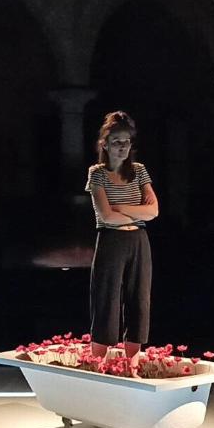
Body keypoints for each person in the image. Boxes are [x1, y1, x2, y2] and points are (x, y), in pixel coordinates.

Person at [84, 111, 159, 369]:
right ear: (105, 144)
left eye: (126, 141)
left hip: (138, 240)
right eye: (117, 141)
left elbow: (153, 211)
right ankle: (99, 364)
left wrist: (120, 207)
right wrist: (135, 210)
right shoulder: (97, 173)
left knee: (139, 298)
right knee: (106, 297)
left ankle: (132, 365)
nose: (122, 146)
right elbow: (106, 216)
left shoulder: (139, 171)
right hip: (111, 240)